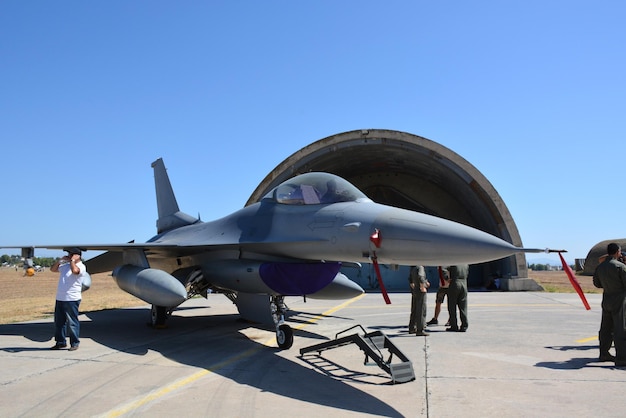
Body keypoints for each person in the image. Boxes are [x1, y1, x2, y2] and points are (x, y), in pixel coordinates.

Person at [592, 243, 626, 366]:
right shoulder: (620, 267)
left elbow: (597, 283)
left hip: (607, 299)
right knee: (620, 329)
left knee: (606, 328)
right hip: (620, 300)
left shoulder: (600, 267)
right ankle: (622, 358)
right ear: (617, 251)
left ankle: (604, 353)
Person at [49, 248, 87, 351]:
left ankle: (74, 343)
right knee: (59, 322)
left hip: (72, 298)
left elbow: (75, 271)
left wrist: (73, 261)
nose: (69, 256)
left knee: (72, 322)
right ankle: (60, 342)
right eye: (69, 254)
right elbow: (53, 269)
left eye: (71, 254)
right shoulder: (65, 266)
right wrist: (60, 261)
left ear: (77, 256)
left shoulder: (81, 266)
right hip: (60, 298)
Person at [446, 264, 469, 332]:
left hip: (455, 282)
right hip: (464, 283)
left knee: (452, 306)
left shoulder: (454, 261)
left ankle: (454, 325)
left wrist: (447, 278)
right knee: (463, 306)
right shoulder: (466, 264)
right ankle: (464, 325)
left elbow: (444, 268)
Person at [408, 265, 430, 336]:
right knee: (421, 310)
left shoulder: (414, 267)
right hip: (420, 291)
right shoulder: (420, 267)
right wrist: (423, 286)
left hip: (415, 290)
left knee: (414, 310)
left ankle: (412, 327)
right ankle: (420, 329)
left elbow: (410, 278)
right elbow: (421, 277)